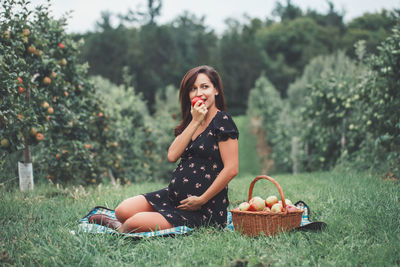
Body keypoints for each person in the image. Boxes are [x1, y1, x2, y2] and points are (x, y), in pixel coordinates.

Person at [89, 65, 239, 233]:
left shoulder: (223, 120)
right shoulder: (192, 121)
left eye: (205, 87)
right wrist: (195, 121)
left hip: (204, 208)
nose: (198, 93)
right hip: (174, 197)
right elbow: (172, 155)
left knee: (134, 223)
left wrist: (202, 199)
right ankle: (124, 223)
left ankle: (121, 227)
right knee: (122, 210)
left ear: (216, 90)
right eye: (193, 89)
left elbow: (231, 169)